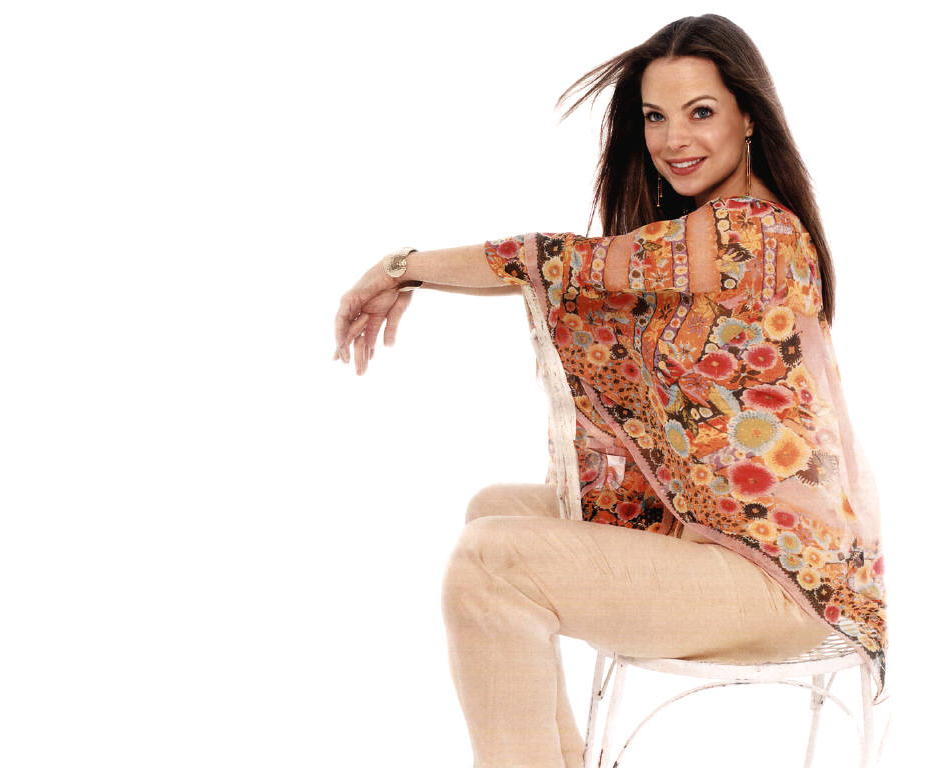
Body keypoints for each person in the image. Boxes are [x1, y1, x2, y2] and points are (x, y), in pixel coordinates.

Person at [332, 14, 887, 768]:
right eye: (655, 117)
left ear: (750, 116)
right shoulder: (713, 233)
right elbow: (571, 270)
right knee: (491, 513)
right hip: (730, 539)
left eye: (700, 112)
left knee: (490, 562)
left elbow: (557, 263)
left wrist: (401, 267)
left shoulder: (750, 234)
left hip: (783, 582)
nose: (674, 140)